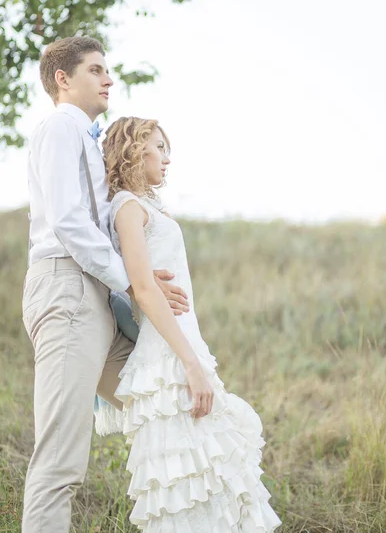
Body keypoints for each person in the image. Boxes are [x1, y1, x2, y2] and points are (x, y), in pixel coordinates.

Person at [22, 36, 189, 533]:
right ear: (63, 79)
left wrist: (136, 277)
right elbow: (69, 222)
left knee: (170, 404)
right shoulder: (59, 128)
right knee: (61, 461)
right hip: (67, 290)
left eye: (107, 70)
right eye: (96, 70)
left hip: (96, 299)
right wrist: (134, 283)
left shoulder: (88, 141)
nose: (108, 79)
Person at [98, 116, 282, 531]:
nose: (166, 158)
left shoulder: (144, 206)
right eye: (159, 147)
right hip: (168, 356)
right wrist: (191, 365)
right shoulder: (127, 207)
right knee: (185, 482)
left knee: (211, 475)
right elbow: (143, 290)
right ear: (133, 149)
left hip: (183, 345)